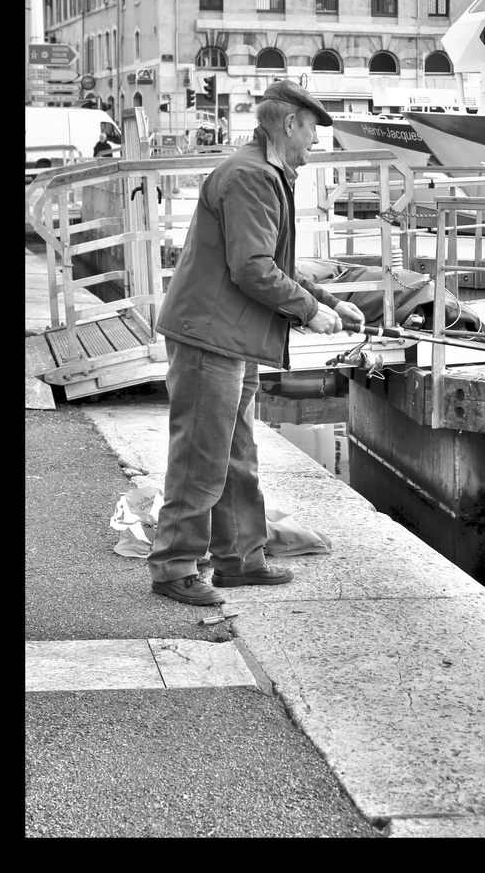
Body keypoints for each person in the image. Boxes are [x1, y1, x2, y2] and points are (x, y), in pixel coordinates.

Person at [147, 81, 365, 605]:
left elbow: (274, 264)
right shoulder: (250, 176)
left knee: (237, 452)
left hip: (229, 336)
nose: (317, 143)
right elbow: (252, 269)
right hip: (211, 337)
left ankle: (240, 558)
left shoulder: (261, 171)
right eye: (314, 130)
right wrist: (309, 312)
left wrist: (329, 303)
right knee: (201, 455)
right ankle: (174, 567)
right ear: (289, 124)